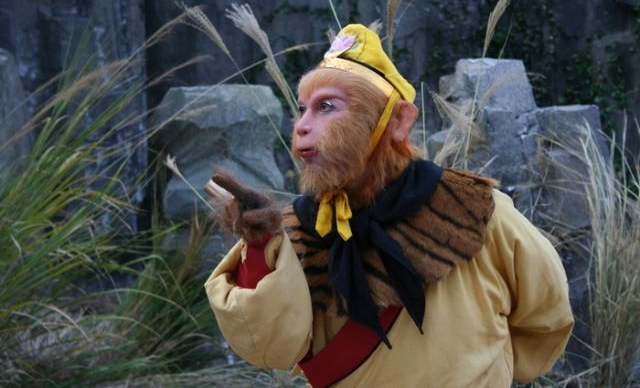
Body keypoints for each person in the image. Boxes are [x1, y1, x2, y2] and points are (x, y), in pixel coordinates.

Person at [204, 24, 574, 387]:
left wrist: (491, 369)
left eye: (326, 106)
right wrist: (259, 244)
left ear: (397, 120)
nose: (301, 125)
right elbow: (270, 348)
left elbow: (547, 311)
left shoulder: (476, 209)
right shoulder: (298, 229)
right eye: (302, 109)